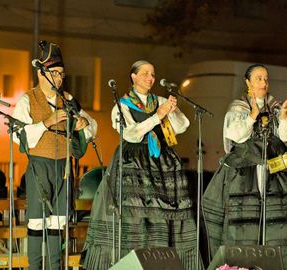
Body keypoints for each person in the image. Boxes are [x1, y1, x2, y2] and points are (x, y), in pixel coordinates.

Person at [83, 60, 200, 270]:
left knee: (162, 214)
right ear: (133, 77)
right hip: (133, 162)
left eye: (153, 74)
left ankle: (161, 259)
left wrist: (172, 111)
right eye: (145, 73)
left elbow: (183, 126)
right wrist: (158, 116)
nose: (150, 78)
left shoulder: (160, 100)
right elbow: (131, 134)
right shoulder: (122, 104)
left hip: (161, 163)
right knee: (134, 213)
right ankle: (130, 262)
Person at [202, 64, 287, 269]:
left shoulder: (275, 106)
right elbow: (235, 135)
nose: (263, 83)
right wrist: (253, 115)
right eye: (258, 78)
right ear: (248, 82)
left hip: (275, 172)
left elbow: (286, 135)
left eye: (266, 78)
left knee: (278, 224)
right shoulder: (238, 107)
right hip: (245, 172)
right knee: (245, 224)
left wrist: (285, 116)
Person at [12, 41, 98, 269]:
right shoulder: (27, 99)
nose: (60, 78)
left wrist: (82, 124)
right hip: (39, 166)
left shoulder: (68, 100)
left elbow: (93, 126)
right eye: (55, 73)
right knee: (38, 221)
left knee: (57, 223)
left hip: (63, 168)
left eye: (62, 74)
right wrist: (46, 123)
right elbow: (17, 135)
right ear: (41, 73)